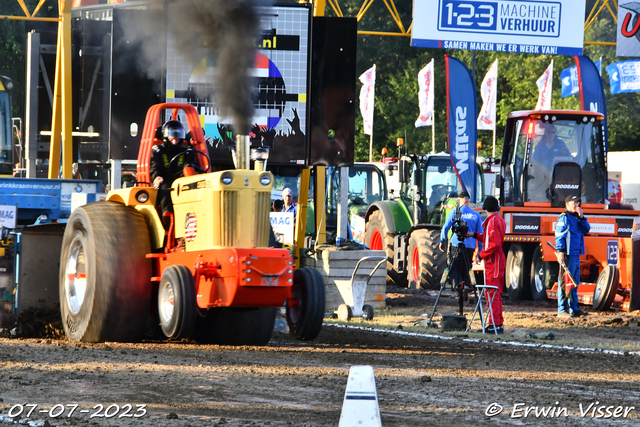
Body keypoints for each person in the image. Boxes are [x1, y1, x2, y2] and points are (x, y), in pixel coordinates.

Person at [471, 196, 506, 334]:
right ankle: (498, 323)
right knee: (495, 293)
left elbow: (493, 244)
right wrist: (474, 234)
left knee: (491, 293)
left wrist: (480, 255)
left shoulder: (492, 222)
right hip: (497, 260)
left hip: (493, 262)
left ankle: (494, 324)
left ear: (485, 208)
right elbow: (488, 239)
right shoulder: (498, 220)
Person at [439, 190, 483, 291]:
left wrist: (442, 241)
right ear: (469, 201)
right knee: (467, 267)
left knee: (455, 267)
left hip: (456, 243)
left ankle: (458, 287)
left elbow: (446, 227)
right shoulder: (475, 215)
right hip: (470, 246)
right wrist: (480, 251)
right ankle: (466, 286)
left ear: (459, 200)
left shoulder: (456, 212)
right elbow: (481, 235)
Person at [555, 194, 590, 318]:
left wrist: (582, 217)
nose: (577, 205)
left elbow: (587, 230)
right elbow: (559, 236)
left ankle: (574, 309)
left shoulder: (578, 218)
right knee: (565, 281)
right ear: (567, 204)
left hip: (576, 254)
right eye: (574, 203)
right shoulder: (564, 217)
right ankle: (562, 309)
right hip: (568, 254)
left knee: (574, 281)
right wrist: (561, 252)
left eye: (578, 203)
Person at [150, 120, 193, 219]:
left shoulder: (187, 152)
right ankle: (167, 217)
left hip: (183, 180)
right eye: (172, 139)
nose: (174, 142)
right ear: (166, 138)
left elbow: (191, 165)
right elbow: (154, 166)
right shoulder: (158, 151)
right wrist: (157, 176)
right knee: (166, 188)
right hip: (165, 179)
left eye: (177, 140)